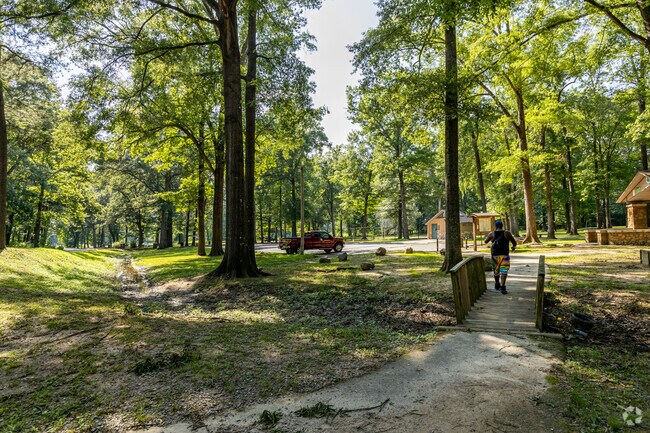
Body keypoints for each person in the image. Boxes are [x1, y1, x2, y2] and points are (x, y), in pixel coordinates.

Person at [484, 220, 517, 294]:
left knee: (496, 270)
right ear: (502, 226)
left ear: (495, 226)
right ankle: (503, 286)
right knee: (504, 271)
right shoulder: (507, 233)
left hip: (494, 255)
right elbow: (514, 242)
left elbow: (485, 241)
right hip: (504, 255)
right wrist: (513, 247)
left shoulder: (492, 233)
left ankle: (497, 285)